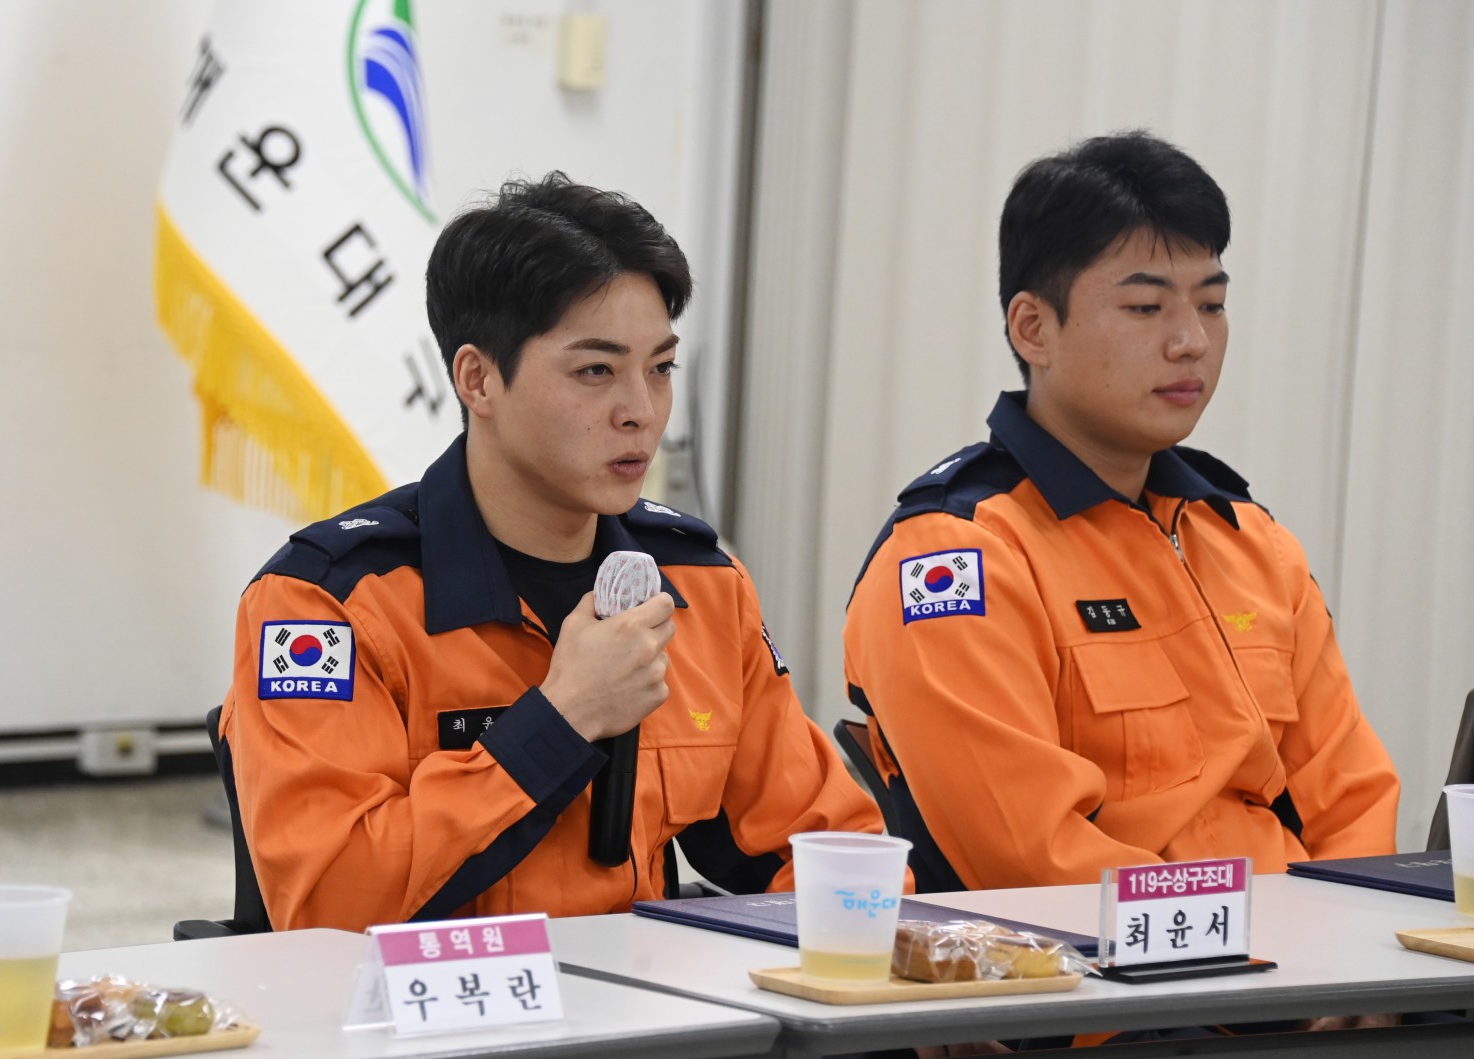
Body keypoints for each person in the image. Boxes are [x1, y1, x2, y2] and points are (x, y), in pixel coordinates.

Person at [221, 172, 883, 932]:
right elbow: (328, 905)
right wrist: (559, 720)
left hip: (647, 998)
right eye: (596, 370)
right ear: (478, 380)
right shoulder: (328, 604)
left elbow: (832, 849)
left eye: (660, 368)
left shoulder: (701, 585)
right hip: (440, 1004)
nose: (641, 411)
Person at [842, 131, 1400, 895]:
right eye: (1145, 307)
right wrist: (1257, 944)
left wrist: (1346, 944)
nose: (1192, 341)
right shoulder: (956, 557)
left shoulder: (1252, 543)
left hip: (1298, 952)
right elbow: (1032, 855)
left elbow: (1352, 800)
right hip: (1112, 962)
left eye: (1213, 304)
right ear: (1033, 328)